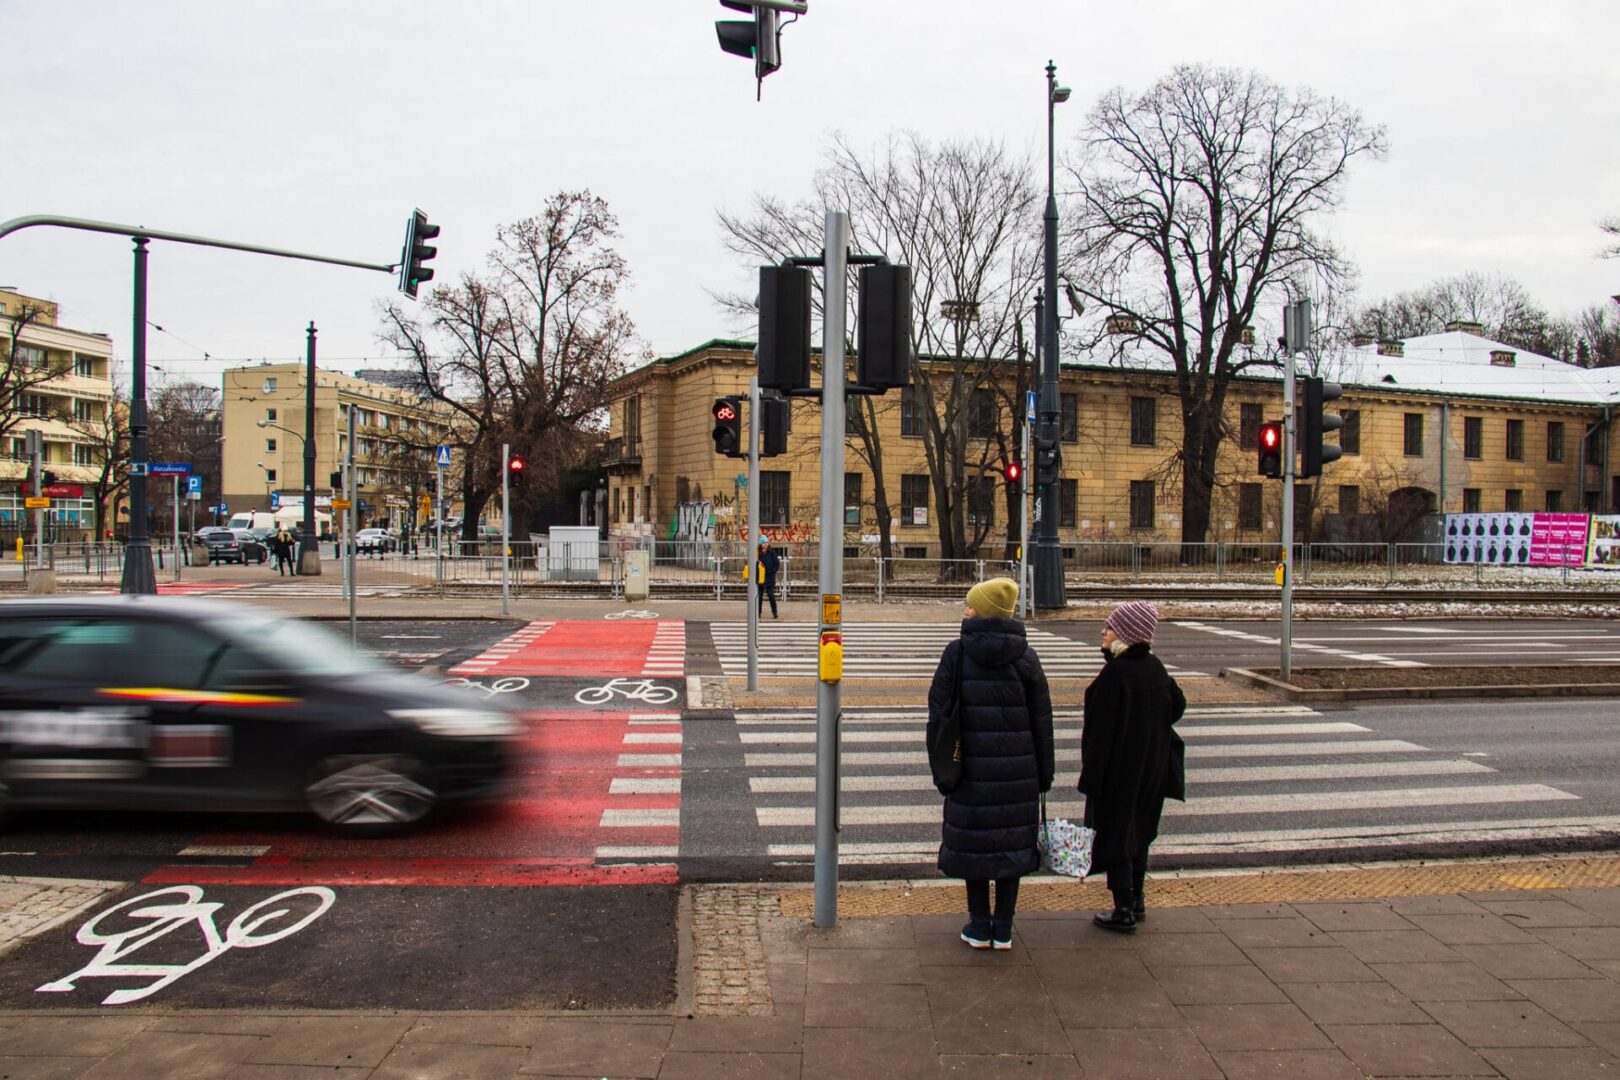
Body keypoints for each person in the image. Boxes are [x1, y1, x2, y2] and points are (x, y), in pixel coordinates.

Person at [927, 577, 1054, 951]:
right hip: (1019, 773)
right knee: (1012, 849)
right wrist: (1043, 775)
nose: (965, 610)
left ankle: (979, 925)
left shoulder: (957, 653)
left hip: (969, 770)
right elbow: (1042, 721)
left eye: (970, 605)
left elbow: (938, 713)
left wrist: (941, 768)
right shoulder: (1027, 658)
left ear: (982, 612)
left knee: (975, 848)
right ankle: (1004, 928)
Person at [1080, 601, 1186, 933]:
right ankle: (1137, 899)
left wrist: (1091, 779)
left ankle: (1122, 907)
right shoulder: (1155, 668)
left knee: (1116, 833)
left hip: (1120, 771)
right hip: (1153, 767)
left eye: (1109, 627)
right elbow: (1177, 706)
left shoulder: (1116, 676)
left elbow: (1099, 735)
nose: (1103, 631)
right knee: (1140, 830)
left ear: (1124, 635)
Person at [755, 536, 781, 619]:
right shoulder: (757, 554)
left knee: (771, 595)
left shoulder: (772, 553)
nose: (766, 544)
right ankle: (758, 612)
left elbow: (776, 563)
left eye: (767, 543)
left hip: (770, 577)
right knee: (759, 596)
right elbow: (754, 564)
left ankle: (774, 612)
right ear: (760, 544)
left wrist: (773, 571)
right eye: (764, 543)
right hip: (760, 578)